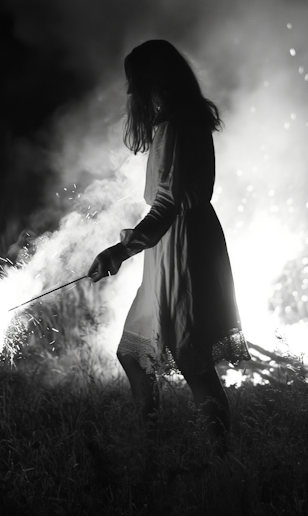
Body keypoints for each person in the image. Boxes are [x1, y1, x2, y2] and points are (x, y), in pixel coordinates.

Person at [88, 40, 250, 451]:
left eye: (132, 83)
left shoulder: (175, 125)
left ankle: (220, 463)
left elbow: (166, 203)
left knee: (191, 359)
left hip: (182, 247)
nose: (128, 93)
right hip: (178, 242)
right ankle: (152, 446)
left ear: (152, 81)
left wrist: (120, 251)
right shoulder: (181, 120)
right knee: (134, 354)